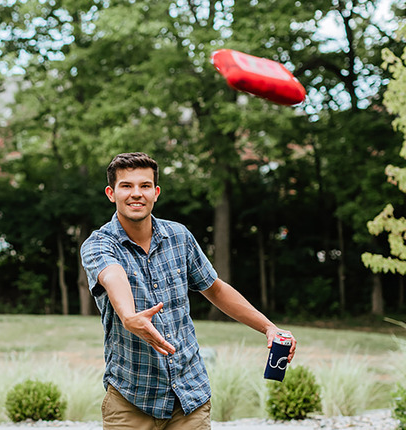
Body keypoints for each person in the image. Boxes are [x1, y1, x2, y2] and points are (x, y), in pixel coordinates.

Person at [80, 152, 296, 429]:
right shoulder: (98, 244)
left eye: (145, 186)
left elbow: (215, 289)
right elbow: (113, 275)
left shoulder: (179, 237)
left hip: (189, 397)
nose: (137, 194)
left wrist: (269, 328)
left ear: (156, 192)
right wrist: (128, 315)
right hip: (132, 401)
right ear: (111, 193)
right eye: (127, 186)